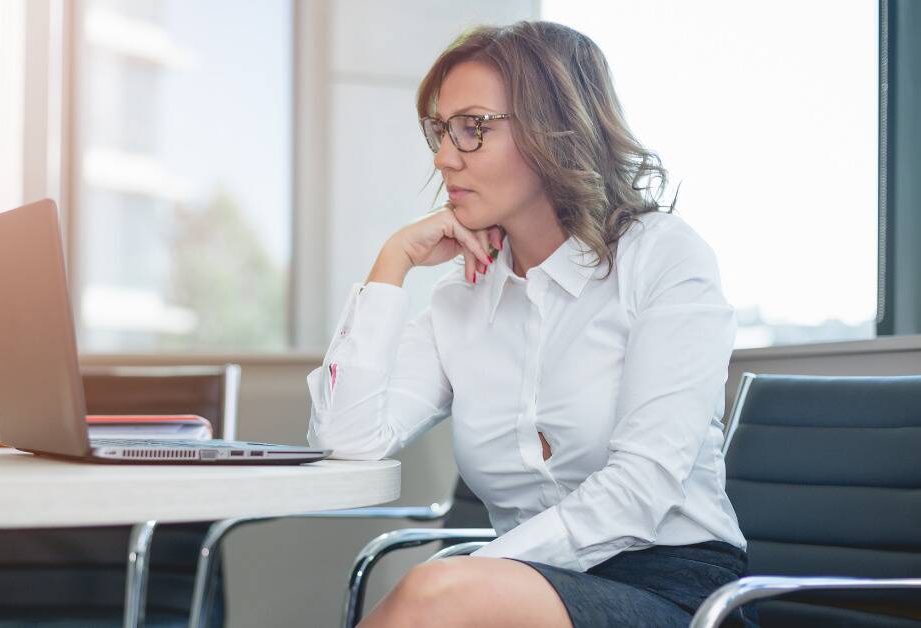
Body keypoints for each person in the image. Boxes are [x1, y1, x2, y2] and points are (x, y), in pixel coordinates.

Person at [306, 20, 759, 628]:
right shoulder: (460, 300)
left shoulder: (663, 257)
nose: (443, 157)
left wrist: (474, 572)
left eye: (473, 128)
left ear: (555, 131)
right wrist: (393, 264)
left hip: (675, 592)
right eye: (440, 131)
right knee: (440, 594)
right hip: (518, 585)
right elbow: (346, 443)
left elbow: (641, 490)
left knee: (434, 596)